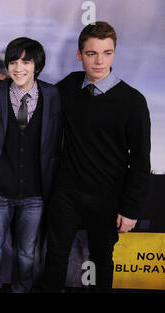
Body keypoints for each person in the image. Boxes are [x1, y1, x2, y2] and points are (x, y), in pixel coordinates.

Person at [42, 21, 151, 292]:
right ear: (80, 55)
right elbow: (35, 93)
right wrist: (3, 82)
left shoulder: (132, 101)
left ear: (114, 53)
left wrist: (131, 209)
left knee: (102, 259)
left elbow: (140, 159)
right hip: (66, 192)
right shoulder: (68, 87)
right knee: (55, 256)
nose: (100, 61)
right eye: (92, 54)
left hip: (107, 196)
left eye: (107, 53)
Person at [0, 37, 63, 293]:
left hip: (35, 194)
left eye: (26, 61)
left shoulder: (52, 94)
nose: (19, 68)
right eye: (14, 61)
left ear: (37, 66)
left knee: (27, 254)